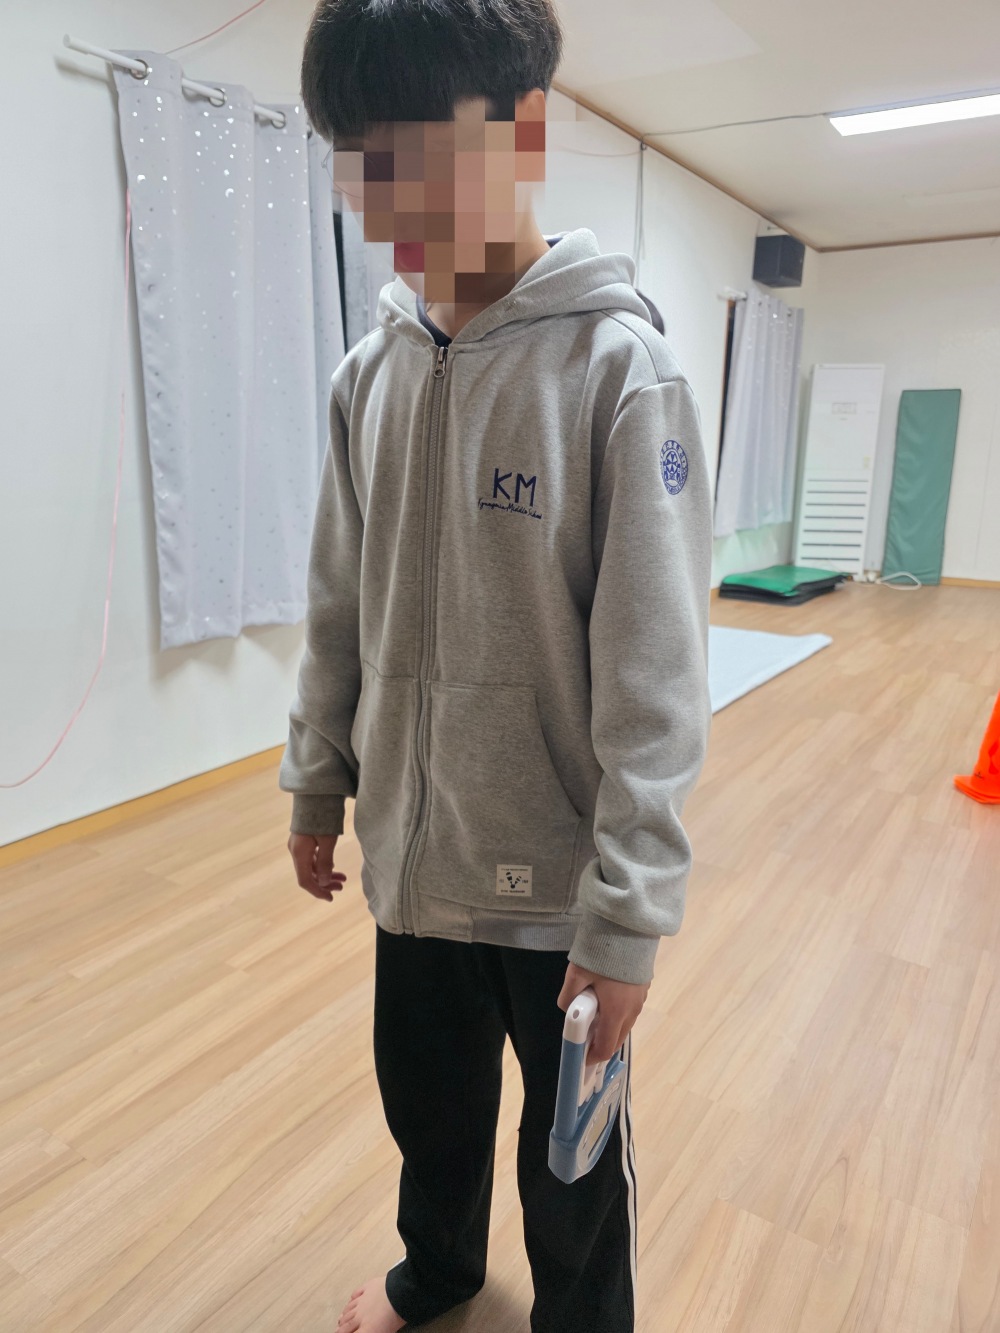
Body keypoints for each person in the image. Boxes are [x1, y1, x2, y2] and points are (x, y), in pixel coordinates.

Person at [280, 2, 714, 1330]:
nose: (386, 207)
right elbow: (338, 599)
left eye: (416, 162)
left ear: (522, 132)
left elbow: (656, 676)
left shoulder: (618, 371)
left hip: (560, 895)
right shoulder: (368, 375)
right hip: (414, 866)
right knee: (430, 1111)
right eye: (360, 168)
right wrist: (318, 776)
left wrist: (630, 915)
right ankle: (440, 1272)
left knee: (571, 1168)